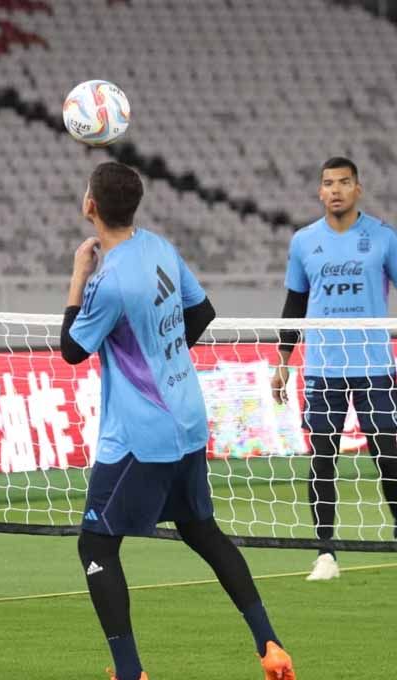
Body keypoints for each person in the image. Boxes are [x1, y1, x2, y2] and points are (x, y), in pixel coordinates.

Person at [60, 162, 294, 680]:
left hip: (141, 436)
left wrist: (77, 277)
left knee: (96, 543)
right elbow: (202, 311)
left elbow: (73, 350)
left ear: (90, 206)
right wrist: (163, 361)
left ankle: (129, 672)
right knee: (201, 530)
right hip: (187, 417)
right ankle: (270, 646)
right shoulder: (161, 248)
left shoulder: (109, 281)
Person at [270, 156, 397, 581]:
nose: (337, 189)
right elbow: (294, 304)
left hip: (374, 366)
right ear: (320, 192)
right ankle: (326, 553)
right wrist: (283, 362)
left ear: (357, 189)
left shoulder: (382, 238)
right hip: (323, 369)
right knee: (322, 459)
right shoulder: (304, 242)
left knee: (390, 457)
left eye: (345, 182)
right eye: (329, 183)